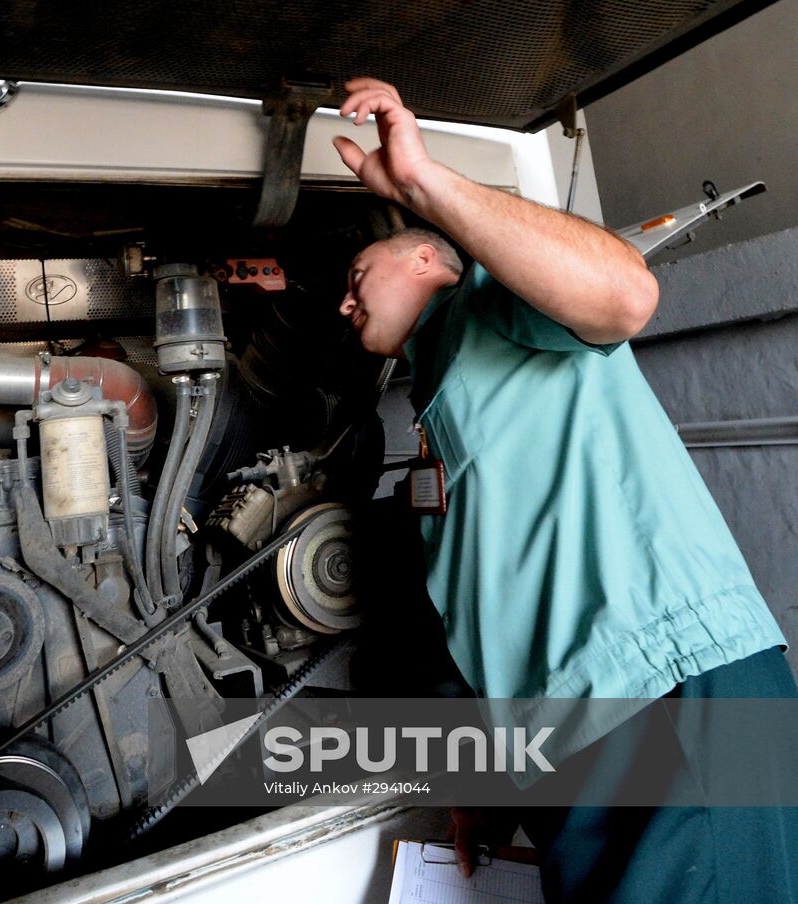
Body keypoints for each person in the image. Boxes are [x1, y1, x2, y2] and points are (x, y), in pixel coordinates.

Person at [331, 78, 797, 902]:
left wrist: (424, 183)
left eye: (356, 272)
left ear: (427, 256)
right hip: (581, 739)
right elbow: (483, 600)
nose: (344, 299)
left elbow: (626, 294)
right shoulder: (439, 398)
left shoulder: (495, 303)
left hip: (668, 700)